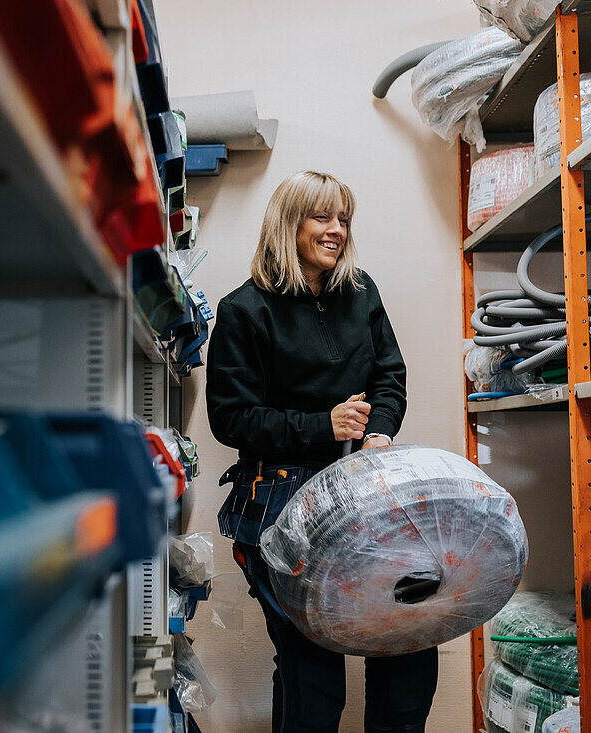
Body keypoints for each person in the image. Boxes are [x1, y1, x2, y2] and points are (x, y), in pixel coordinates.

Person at [206, 170, 438, 732]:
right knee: (313, 676)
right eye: (322, 217)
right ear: (290, 223)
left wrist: (379, 430)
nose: (336, 230)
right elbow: (230, 418)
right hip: (277, 503)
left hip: (361, 492)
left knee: (408, 645)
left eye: (343, 219)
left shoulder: (361, 292)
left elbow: (390, 375)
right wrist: (322, 426)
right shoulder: (244, 310)